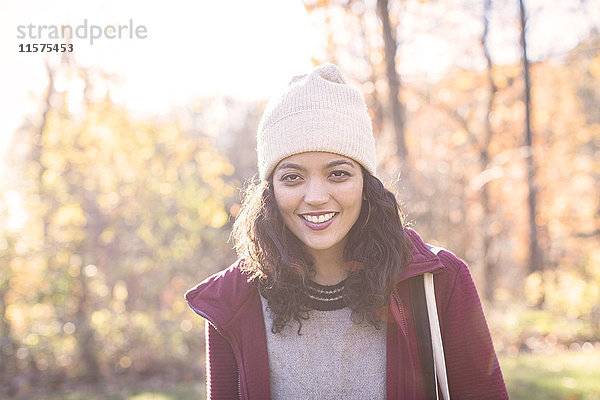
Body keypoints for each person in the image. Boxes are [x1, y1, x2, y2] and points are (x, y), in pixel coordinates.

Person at [185, 64, 508, 399]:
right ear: (270, 191)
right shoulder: (232, 300)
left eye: (337, 174)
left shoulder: (439, 281)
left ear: (366, 184)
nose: (315, 197)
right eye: (292, 177)